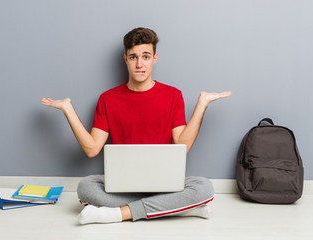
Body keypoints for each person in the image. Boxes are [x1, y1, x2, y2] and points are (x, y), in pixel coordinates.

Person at [41, 27, 231, 224]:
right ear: (125, 59)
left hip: (164, 184)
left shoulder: (173, 95)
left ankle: (118, 214)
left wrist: (202, 105)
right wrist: (67, 109)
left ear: (155, 58)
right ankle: (175, 208)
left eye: (146, 57)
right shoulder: (108, 99)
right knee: (85, 187)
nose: (140, 64)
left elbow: (183, 145)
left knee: (204, 187)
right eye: (133, 57)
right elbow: (91, 149)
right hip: (124, 185)